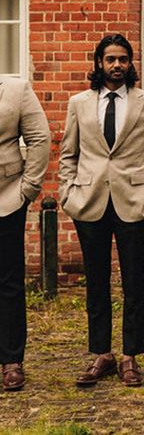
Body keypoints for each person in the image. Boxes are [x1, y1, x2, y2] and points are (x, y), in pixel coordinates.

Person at [59, 34, 144, 388]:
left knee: (134, 282)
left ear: (130, 63)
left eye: (123, 59)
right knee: (97, 282)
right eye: (110, 59)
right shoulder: (79, 103)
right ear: (99, 63)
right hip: (89, 202)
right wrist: (68, 194)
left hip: (133, 201)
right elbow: (68, 154)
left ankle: (130, 357)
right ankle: (101, 354)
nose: (117, 65)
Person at [0, 77, 50, 391]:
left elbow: (40, 138)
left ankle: (11, 361)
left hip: (6, 199)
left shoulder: (16, 91)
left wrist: (27, 190)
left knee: (8, 281)